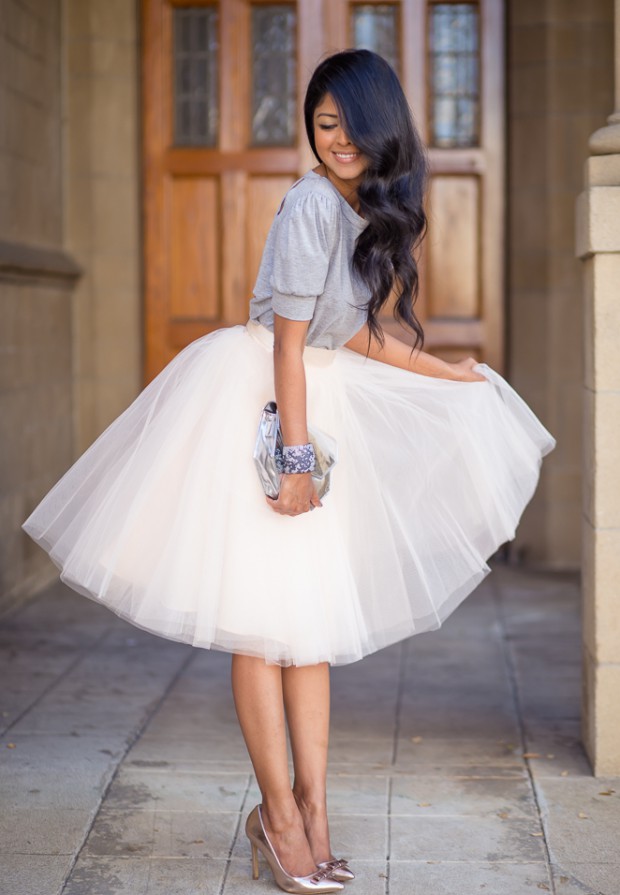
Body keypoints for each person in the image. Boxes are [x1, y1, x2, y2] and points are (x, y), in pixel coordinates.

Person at [22, 50, 555, 894]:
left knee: (307, 633)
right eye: (323, 122)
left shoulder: (355, 207)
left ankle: (315, 815)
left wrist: (450, 372)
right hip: (271, 409)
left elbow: (348, 334)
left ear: (384, 129)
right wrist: (295, 462)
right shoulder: (313, 201)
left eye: (350, 123)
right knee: (264, 623)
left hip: (310, 398)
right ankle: (278, 815)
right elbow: (286, 342)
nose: (335, 138)